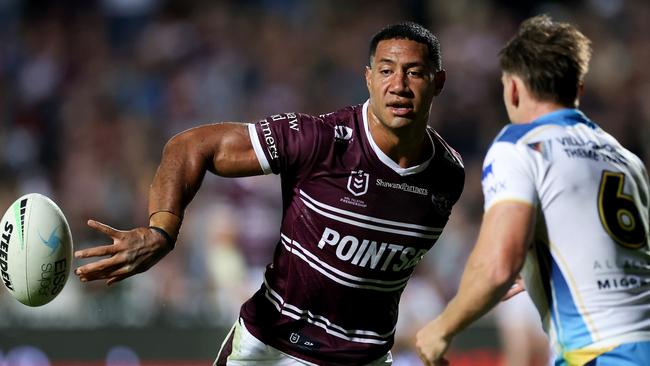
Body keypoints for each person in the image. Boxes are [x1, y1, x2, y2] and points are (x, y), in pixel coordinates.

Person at [74, 22, 465, 366]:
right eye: (386, 71)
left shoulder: (448, 176)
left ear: (438, 82)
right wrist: (162, 230)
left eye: (414, 72)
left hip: (366, 358)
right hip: (274, 349)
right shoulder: (321, 140)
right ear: (368, 79)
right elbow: (190, 146)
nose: (398, 85)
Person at [415, 14, 650, 366]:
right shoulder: (627, 159)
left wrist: (441, 328)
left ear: (512, 88)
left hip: (601, 354)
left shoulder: (521, 145)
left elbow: (499, 263)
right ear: (579, 89)